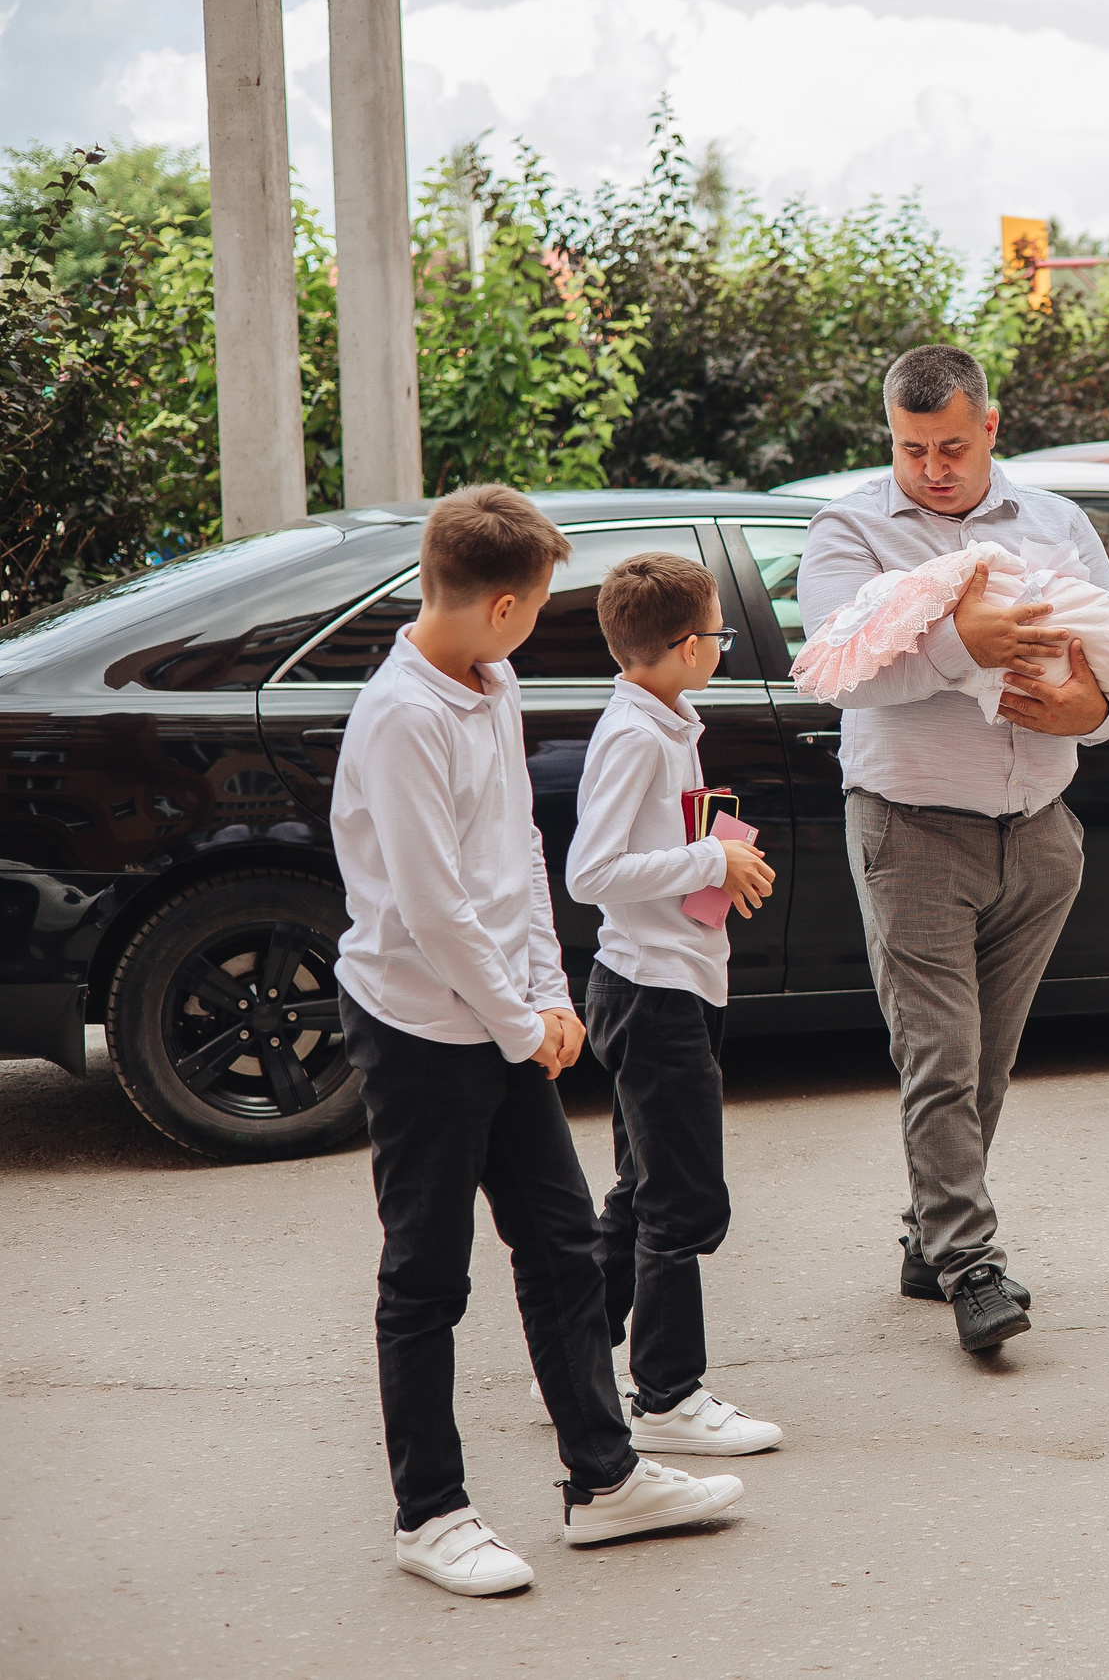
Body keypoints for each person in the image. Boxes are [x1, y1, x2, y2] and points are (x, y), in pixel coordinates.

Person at [335, 485, 745, 1596]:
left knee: (562, 1247)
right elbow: (430, 906)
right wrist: (522, 1021)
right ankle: (430, 1513)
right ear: (505, 603)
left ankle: (603, 1480)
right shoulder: (403, 714)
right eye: (541, 602)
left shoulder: (491, 678)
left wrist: (548, 996)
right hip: (420, 1027)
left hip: (506, 1019)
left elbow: (514, 848)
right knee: (426, 1280)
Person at [797, 344, 1109, 1355]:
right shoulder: (848, 529)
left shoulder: (1057, 524)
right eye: (912, 450)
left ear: (990, 426)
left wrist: (1093, 709)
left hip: (1040, 832)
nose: (933, 467)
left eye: (951, 445)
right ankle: (973, 1265)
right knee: (939, 1059)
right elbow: (838, 671)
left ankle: (929, 1237)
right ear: (888, 438)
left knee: (985, 1060)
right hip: (911, 832)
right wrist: (963, 648)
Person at [558, 551, 783, 1456]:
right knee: (684, 1201)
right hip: (649, 989)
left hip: (674, 978)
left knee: (644, 1187)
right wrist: (708, 861)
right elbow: (590, 870)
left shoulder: (668, 721)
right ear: (687, 647)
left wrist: (715, 860)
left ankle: (577, 1365)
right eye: (721, 635)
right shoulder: (635, 736)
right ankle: (668, 1393)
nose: (723, 647)